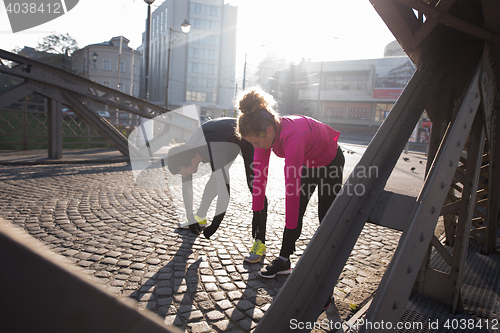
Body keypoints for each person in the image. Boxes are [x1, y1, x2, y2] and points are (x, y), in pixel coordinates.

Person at [235, 88, 345, 283]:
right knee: (300, 208)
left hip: (330, 161)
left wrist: (289, 230)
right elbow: (259, 177)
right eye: (251, 143)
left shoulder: (292, 136)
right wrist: (256, 212)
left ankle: (329, 266)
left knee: (325, 216)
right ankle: (284, 262)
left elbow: (291, 191)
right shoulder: (264, 136)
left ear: (269, 131)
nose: (255, 147)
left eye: (256, 142)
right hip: (309, 161)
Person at [167, 117, 268, 263]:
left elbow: (225, 191)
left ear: (193, 161)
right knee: (216, 176)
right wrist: (190, 217)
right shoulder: (185, 152)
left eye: (182, 172)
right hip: (226, 138)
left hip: (247, 138)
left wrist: (215, 225)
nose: (183, 176)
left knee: (255, 186)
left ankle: (260, 241)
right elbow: (186, 185)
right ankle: (200, 217)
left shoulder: (214, 150)